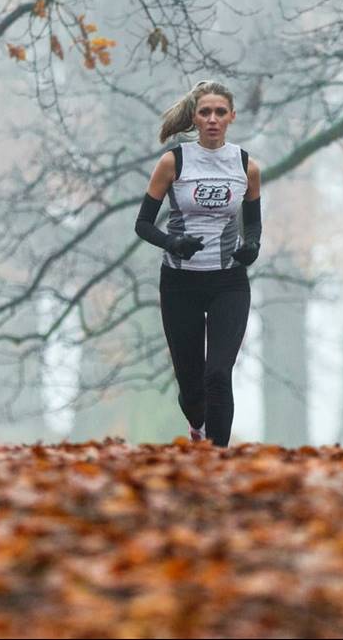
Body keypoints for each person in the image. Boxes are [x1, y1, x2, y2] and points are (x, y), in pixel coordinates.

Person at [134, 80, 262, 447]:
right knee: (192, 389)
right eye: (205, 112)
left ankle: (218, 460)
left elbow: (252, 223)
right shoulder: (173, 161)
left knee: (219, 375)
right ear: (194, 116)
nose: (212, 119)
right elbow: (142, 224)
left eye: (220, 112)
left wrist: (251, 246)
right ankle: (197, 426)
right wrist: (171, 241)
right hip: (180, 283)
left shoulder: (246, 166)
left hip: (228, 283)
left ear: (231, 117)